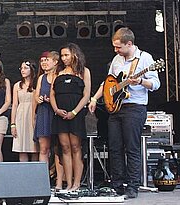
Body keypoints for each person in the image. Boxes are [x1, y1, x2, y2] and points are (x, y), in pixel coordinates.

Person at [88, 27, 160, 199]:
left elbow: (156, 84)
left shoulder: (145, 58)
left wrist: (141, 81)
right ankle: (117, 184)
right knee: (114, 148)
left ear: (129, 43)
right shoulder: (117, 59)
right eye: (115, 47)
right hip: (116, 109)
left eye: (119, 47)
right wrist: (94, 98)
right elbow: (108, 83)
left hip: (134, 108)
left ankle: (133, 186)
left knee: (132, 148)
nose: (116, 50)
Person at [50, 43, 91, 192]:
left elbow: (86, 95)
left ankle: (77, 183)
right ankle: (67, 183)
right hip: (60, 114)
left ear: (75, 54)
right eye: (62, 55)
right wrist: (56, 109)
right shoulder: (58, 72)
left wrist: (74, 112)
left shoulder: (84, 71)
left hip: (76, 113)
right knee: (64, 148)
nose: (64, 58)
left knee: (75, 147)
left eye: (66, 55)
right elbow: (52, 94)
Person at [33, 51, 64, 190]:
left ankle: (59, 182)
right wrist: (38, 99)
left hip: (55, 113)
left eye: (47, 60)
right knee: (44, 149)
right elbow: (36, 94)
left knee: (58, 149)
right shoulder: (41, 78)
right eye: (42, 60)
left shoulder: (60, 76)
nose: (44, 63)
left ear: (55, 62)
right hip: (43, 112)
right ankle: (42, 182)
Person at [11, 60, 38, 162]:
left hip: (33, 115)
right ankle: (24, 174)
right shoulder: (18, 85)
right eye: (21, 68)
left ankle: (34, 174)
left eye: (25, 68)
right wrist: (13, 124)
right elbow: (14, 104)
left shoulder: (36, 83)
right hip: (21, 116)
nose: (23, 70)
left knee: (34, 148)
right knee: (21, 148)